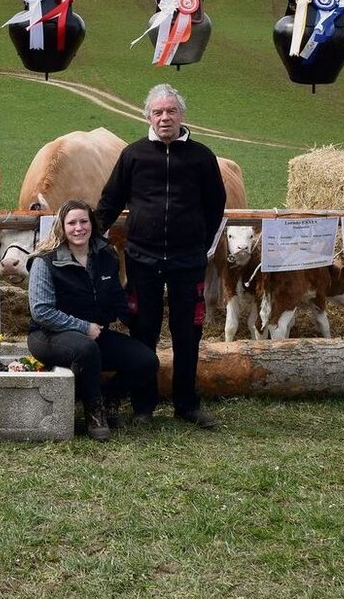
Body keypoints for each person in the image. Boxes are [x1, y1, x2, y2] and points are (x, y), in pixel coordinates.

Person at [96, 84, 226, 429]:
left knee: (188, 333)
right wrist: (88, 237)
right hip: (142, 259)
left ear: (181, 115)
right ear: (148, 116)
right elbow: (110, 201)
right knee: (143, 331)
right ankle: (144, 406)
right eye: (158, 112)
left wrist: (200, 245)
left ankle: (187, 405)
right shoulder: (133, 155)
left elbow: (215, 205)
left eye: (171, 111)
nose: (164, 117)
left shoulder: (202, 156)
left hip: (188, 261)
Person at [27, 199, 158, 440]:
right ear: (61, 227)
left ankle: (109, 398)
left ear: (92, 224)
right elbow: (42, 311)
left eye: (83, 221)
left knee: (146, 360)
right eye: (72, 223)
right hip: (48, 335)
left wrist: (141, 322)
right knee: (87, 349)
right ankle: (94, 412)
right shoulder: (44, 261)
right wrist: (83, 327)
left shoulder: (106, 255)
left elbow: (117, 297)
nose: (79, 228)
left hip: (93, 334)